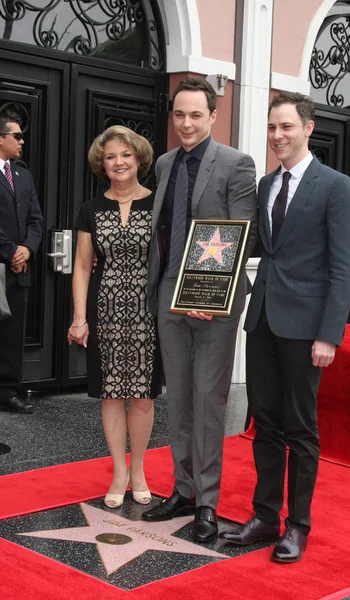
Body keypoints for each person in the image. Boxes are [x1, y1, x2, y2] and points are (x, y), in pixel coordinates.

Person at [220, 92, 350, 562]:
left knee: (301, 429)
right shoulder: (264, 185)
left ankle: (297, 525)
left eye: (286, 127)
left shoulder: (336, 186)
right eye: (272, 128)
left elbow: (344, 267)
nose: (278, 136)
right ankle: (264, 516)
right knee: (265, 425)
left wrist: (329, 334)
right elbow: (257, 247)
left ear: (308, 128)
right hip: (261, 322)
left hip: (305, 329)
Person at [142, 77, 257, 542]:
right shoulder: (166, 163)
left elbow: (240, 230)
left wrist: (209, 294)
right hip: (169, 292)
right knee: (181, 397)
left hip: (215, 299)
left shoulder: (236, 163)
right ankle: (183, 489)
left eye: (195, 114)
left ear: (212, 116)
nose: (186, 123)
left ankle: (207, 502)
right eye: (179, 115)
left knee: (209, 400)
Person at [67, 125, 162, 508]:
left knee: (142, 396)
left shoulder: (159, 204)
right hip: (103, 310)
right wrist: (78, 318)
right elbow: (82, 267)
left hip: (147, 312)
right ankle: (118, 472)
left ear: (138, 158)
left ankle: (138, 469)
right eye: (110, 157)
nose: (118, 162)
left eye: (125, 154)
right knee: (110, 395)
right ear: (101, 165)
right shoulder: (91, 209)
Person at [0, 112, 43, 414]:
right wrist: (10, 251)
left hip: (19, 270)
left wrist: (27, 249)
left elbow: (36, 219)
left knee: (13, 335)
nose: (22, 141)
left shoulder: (23, 175)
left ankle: (7, 393)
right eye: (16, 135)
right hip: (3, 263)